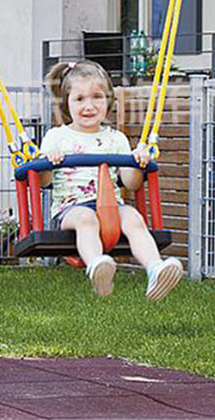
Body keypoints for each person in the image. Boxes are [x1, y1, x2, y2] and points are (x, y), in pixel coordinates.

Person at [40, 60, 183, 300]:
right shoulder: (57, 137)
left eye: (97, 97)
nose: (89, 106)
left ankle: (155, 269)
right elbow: (43, 182)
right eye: (80, 99)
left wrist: (137, 161)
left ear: (108, 101)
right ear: (67, 103)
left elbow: (131, 183)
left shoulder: (116, 139)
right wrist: (49, 161)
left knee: (134, 218)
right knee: (86, 219)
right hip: (71, 209)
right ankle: (98, 266)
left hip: (112, 208)